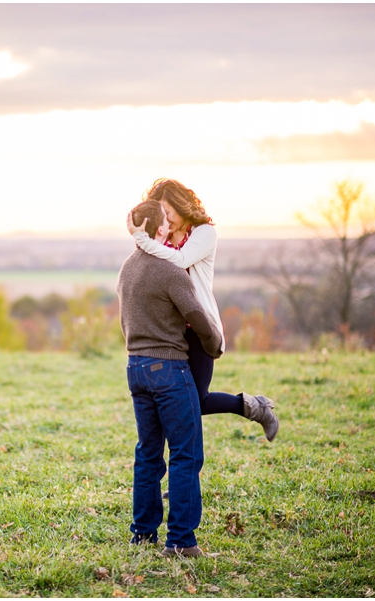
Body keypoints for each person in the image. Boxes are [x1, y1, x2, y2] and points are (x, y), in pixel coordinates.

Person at [127, 178, 278, 442]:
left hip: (197, 329)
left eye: (168, 211)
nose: (165, 218)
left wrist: (142, 238)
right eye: (160, 213)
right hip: (168, 334)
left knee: (196, 400)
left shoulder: (204, 233)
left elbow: (181, 260)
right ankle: (167, 480)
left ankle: (255, 407)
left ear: (180, 205)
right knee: (173, 407)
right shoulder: (160, 238)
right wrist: (146, 236)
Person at [116, 199, 218, 558]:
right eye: (166, 221)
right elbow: (198, 318)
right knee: (186, 455)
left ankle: (143, 535)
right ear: (159, 229)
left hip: (135, 368)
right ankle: (181, 542)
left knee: (147, 454)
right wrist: (214, 344)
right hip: (169, 370)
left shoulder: (127, 269)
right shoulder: (170, 271)